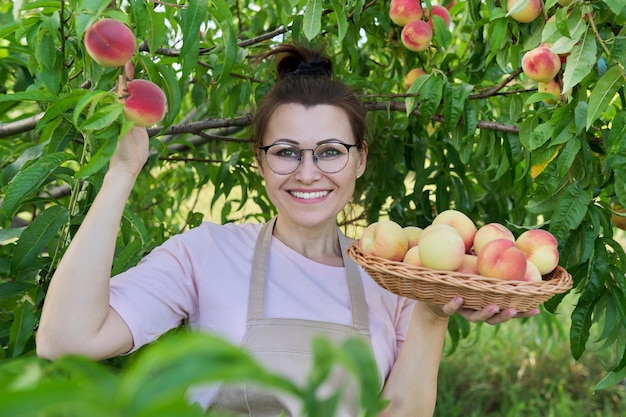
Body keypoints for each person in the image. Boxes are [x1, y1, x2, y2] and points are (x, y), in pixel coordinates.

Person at [36, 43, 539, 417]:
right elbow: (65, 341)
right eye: (285, 152)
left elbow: (402, 410)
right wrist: (123, 170)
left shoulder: (397, 276)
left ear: (360, 159)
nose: (306, 172)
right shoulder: (207, 253)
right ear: (259, 161)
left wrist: (434, 309)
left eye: (329, 151)